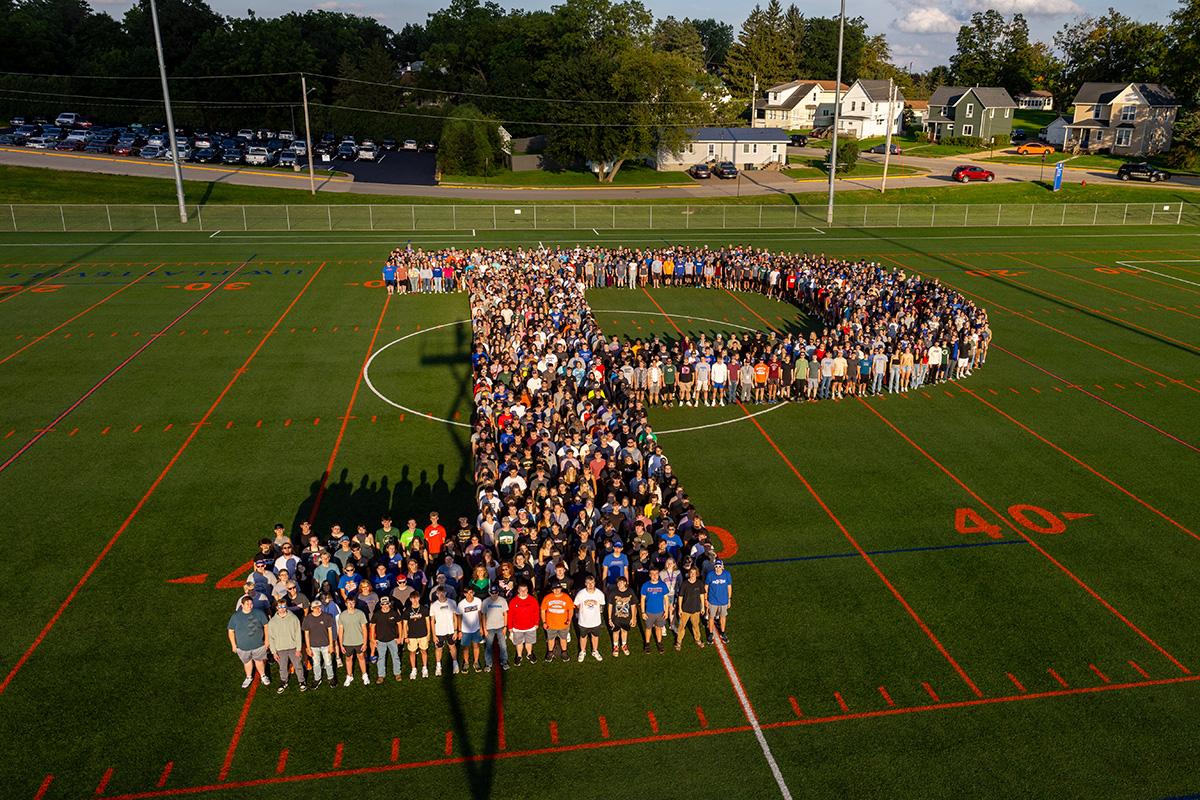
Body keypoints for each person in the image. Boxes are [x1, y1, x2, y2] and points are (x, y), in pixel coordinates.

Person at [228, 595, 270, 689]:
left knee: (259, 661)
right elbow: (231, 631)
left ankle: (263, 675)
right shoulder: (236, 616)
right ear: (242, 605)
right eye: (247, 604)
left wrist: (267, 640)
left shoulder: (259, 613)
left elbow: (266, 626)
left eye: (251, 603)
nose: (250, 605)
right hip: (242, 646)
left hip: (258, 645)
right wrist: (233, 645)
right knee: (247, 662)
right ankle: (248, 677)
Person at [266, 604, 306, 693]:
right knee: (282, 667)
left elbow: (298, 635)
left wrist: (298, 649)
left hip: (293, 648)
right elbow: (271, 638)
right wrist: (273, 652)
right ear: (276, 608)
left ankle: (302, 681)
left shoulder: (294, 618)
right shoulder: (272, 622)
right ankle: (284, 681)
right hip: (280, 649)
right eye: (280, 607)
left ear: (286, 607)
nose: (282, 609)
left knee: (298, 665)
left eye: (283, 607)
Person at [302, 599, 336, 689]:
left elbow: (330, 631)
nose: (318, 609)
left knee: (328, 662)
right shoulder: (307, 619)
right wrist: (308, 648)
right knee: (316, 663)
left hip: (326, 644)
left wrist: (331, 645)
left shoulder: (327, 616)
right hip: (313, 646)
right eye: (315, 607)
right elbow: (306, 634)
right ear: (311, 608)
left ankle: (331, 678)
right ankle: (317, 678)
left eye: (319, 607)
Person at [370, 595, 404, 684]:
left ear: (390, 604)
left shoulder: (394, 613)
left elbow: (400, 624)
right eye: (383, 604)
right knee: (381, 658)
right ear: (380, 605)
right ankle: (381, 675)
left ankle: (397, 673)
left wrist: (400, 637)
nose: (385, 605)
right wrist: (373, 639)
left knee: (395, 657)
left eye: (387, 603)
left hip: (393, 639)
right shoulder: (376, 614)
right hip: (380, 640)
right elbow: (372, 627)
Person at [337, 596, 369, 686]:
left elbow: (364, 629)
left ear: (355, 604)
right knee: (348, 659)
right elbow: (340, 631)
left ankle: (364, 675)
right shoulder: (342, 615)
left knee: (361, 658)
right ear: (346, 604)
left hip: (359, 641)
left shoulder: (360, 613)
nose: (351, 605)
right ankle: (349, 676)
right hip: (347, 642)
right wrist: (341, 645)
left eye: (353, 603)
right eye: (349, 603)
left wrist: (365, 643)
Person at [573, 574, 606, 662]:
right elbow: (576, 604)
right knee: (583, 637)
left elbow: (602, 604)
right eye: (588, 583)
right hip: (583, 621)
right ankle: (582, 651)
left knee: (595, 636)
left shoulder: (599, 594)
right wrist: (582, 611)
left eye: (592, 582)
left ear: (595, 583)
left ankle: (595, 651)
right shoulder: (581, 593)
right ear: (585, 584)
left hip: (596, 621)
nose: (590, 584)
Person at [429, 586, 461, 676]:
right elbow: (432, 621)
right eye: (439, 593)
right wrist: (434, 635)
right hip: (439, 631)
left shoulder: (452, 602)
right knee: (439, 649)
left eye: (443, 593)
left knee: (452, 646)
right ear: (437, 594)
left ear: (446, 593)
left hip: (450, 630)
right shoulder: (434, 605)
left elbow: (455, 617)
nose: (441, 595)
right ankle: (438, 666)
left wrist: (455, 631)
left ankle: (455, 663)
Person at [540, 583, 575, 663]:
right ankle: (550, 652)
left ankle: (564, 652)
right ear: (552, 590)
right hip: (550, 624)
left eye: (558, 588)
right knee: (550, 639)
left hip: (563, 624)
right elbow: (542, 610)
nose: (556, 590)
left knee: (563, 639)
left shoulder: (566, 597)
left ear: (561, 589)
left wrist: (569, 619)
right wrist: (544, 622)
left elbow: (570, 609)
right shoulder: (547, 597)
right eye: (554, 589)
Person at [508, 581, 540, 666]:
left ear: (527, 590)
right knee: (519, 643)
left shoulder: (533, 600)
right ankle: (519, 655)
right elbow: (510, 615)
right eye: (521, 590)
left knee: (529, 642)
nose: (523, 592)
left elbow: (536, 612)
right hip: (517, 627)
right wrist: (510, 627)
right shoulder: (513, 601)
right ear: (518, 590)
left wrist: (536, 623)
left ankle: (529, 654)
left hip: (530, 627)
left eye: (525, 590)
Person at [640, 566, 670, 654]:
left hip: (660, 612)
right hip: (649, 612)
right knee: (648, 628)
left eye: (656, 574)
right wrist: (642, 612)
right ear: (649, 575)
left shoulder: (662, 584)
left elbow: (666, 599)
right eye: (652, 574)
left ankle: (659, 643)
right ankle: (647, 644)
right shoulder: (645, 585)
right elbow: (642, 599)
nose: (654, 576)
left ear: (658, 575)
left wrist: (666, 612)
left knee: (658, 628)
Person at [676, 566, 707, 650]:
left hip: (696, 609)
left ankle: (697, 639)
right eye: (691, 573)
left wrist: (703, 607)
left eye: (694, 573)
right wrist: (680, 609)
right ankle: (679, 642)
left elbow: (702, 595)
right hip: (685, 609)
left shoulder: (699, 583)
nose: (693, 575)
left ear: (697, 574)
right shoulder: (685, 583)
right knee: (682, 626)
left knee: (695, 625)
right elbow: (680, 596)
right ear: (689, 574)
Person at [481, 584, 510, 672]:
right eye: (492, 593)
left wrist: (505, 627)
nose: (494, 595)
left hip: (501, 627)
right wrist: (484, 629)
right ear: (489, 593)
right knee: (488, 646)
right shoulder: (485, 602)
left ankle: (504, 662)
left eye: (496, 593)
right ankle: (488, 664)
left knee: (503, 645)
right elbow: (483, 616)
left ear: (498, 592)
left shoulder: (502, 601)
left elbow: (505, 614)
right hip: (489, 628)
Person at [402, 592, 431, 679]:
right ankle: (413, 669)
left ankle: (424, 668)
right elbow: (405, 624)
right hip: (411, 635)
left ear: (419, 598)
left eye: (416, 598)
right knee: (412, 652)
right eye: (413, 598)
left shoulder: (424, 609)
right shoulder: (407, 611)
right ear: (410, 599)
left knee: (424, 651)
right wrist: (405, 636)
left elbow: (427, 622)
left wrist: (428, 634)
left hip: (423, 634)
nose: (415, 600)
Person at [607, 575, 637, 657]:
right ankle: (615, 646)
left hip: (627, 617)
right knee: (616, 631)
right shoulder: (613, 592)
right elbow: (610, 605)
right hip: (615, 617)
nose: (619, 584)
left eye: (621, 582)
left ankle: (624, 645)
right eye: (618, 583)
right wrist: (609, 618)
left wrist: (634, 618)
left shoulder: (630, 592)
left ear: (625, 583)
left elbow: (633, 605)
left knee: (624, 631)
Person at [458, 585, 485, 673]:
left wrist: (481, 628)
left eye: (471, 593)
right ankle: (466, 663)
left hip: (476, 628)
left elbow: (480, 614)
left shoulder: (478, 601)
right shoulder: (461, 604)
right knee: (466, 648)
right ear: (464, 594)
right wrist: (459, 630)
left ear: (473, 593)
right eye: (467, 593)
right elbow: (459, 617)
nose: (469, 595)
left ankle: (476, 662)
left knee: (476, 646)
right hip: (465, 630)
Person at [705, 560, 732, 644]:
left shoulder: (727, 574)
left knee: (723, 617)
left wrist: (729, 599)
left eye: (719, 566)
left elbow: (729, 587)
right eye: (716, 566)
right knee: (711, 617)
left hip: (724, 601)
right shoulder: (710, 575)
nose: (718, 568)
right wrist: (706, 600)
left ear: (722, 567)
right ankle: (710, 633)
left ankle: (723, 632)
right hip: (712, 601)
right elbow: (706, 587)